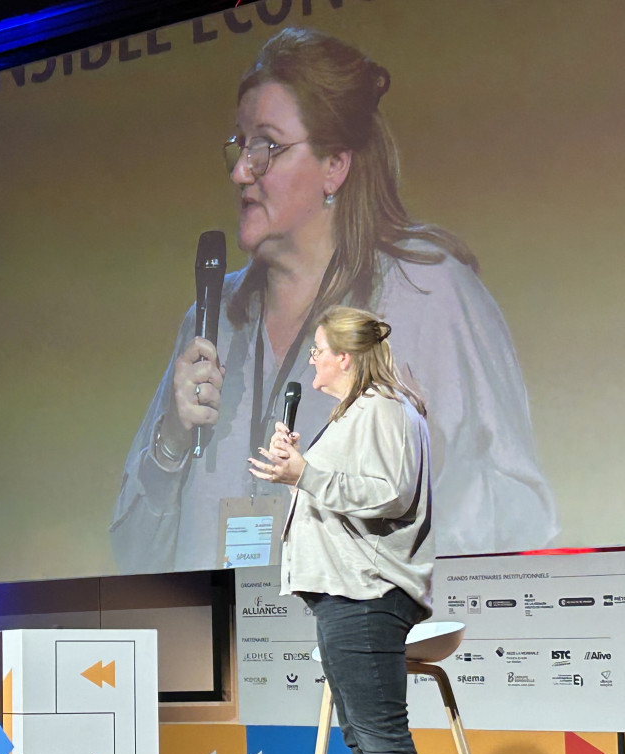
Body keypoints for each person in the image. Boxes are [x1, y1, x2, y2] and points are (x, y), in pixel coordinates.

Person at [111, 26, 557, 573]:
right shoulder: (212, 320)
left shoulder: (429, 295)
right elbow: (131, 553)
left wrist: (422, 467)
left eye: (266, 147)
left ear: (334, 166)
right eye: (240, 144)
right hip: (223, 650)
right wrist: (171, 442)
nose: (239, 171)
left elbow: (524, 524)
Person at [250, 305, 433, 754]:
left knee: (380, 739)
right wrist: (300, 469)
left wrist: (307, 474)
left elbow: (389, 493)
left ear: (345, 358)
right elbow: (348, 487)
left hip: (368, 592)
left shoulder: (383, 409)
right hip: (344, 592)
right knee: (363, 741)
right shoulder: (355, 414)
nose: (311, 358)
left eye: (319, 349)